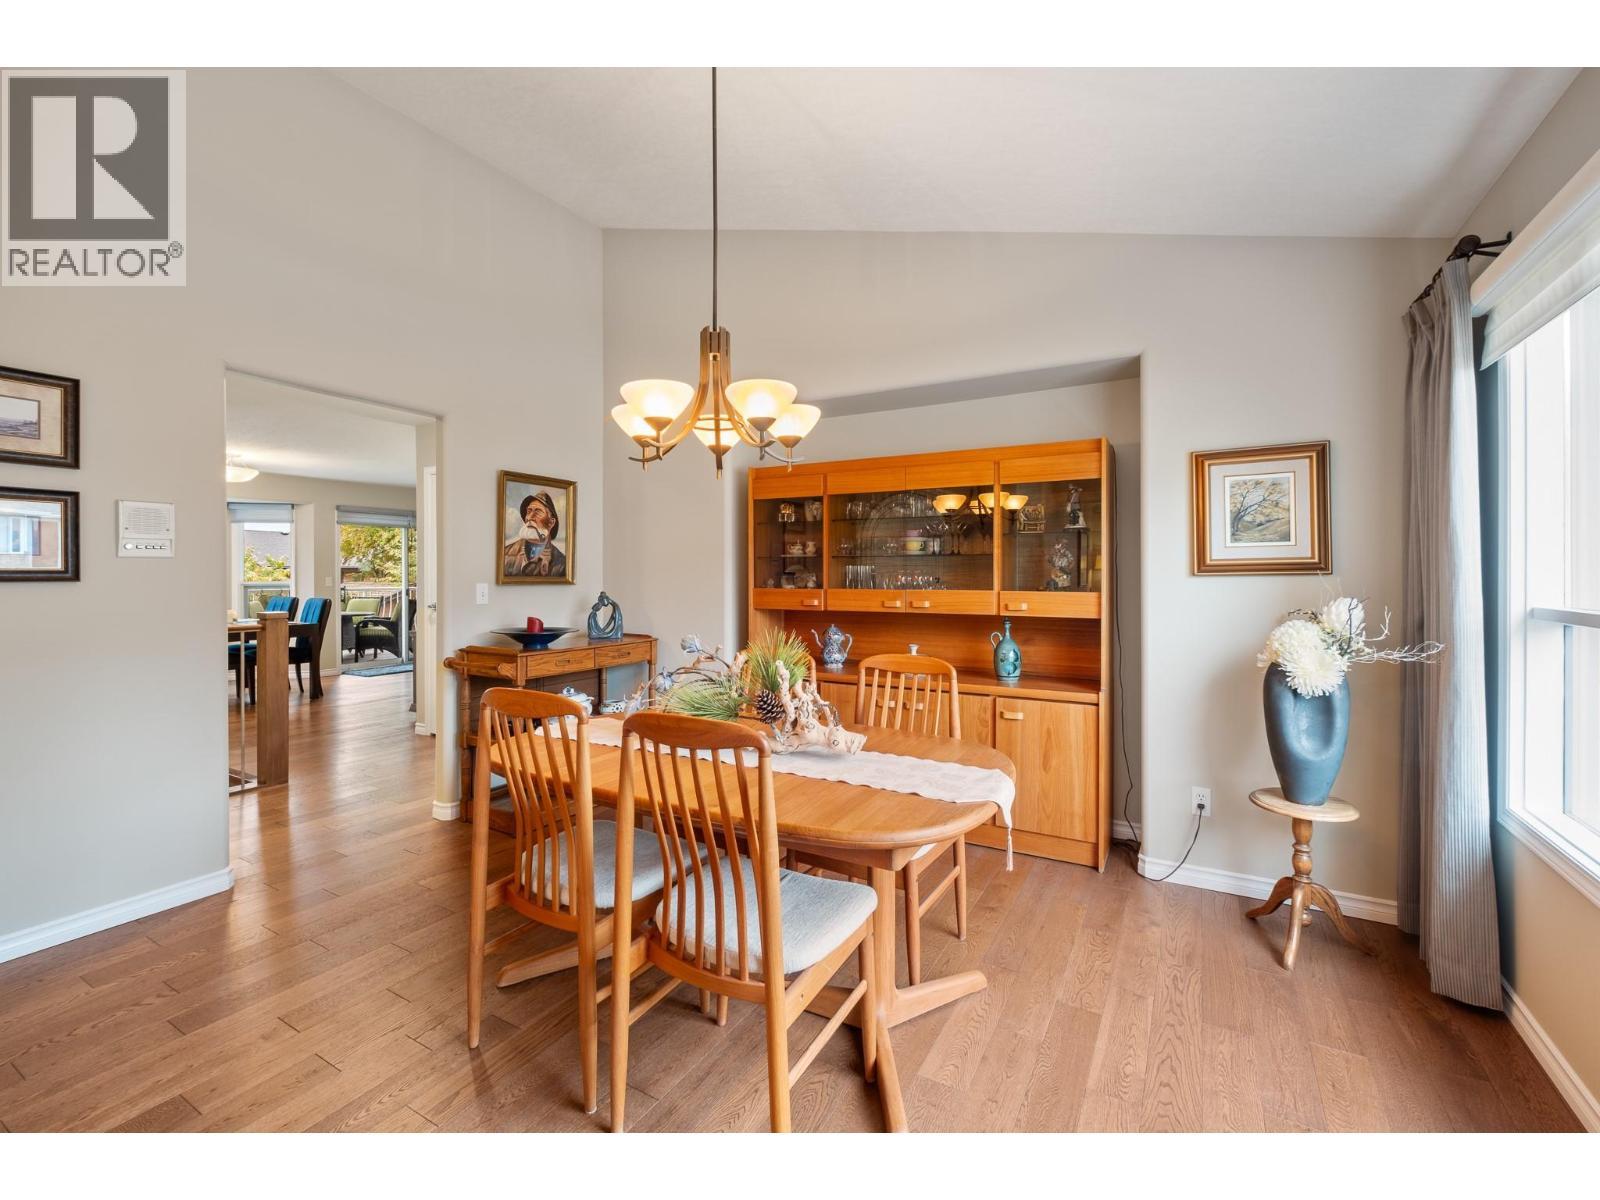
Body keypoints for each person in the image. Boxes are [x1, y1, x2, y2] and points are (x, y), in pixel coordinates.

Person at [503, 491, 567, 578]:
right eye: (529, 511)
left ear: (551, 523)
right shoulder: (505, 553)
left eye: (538, 512)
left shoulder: (561, 563)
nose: (530, 517)